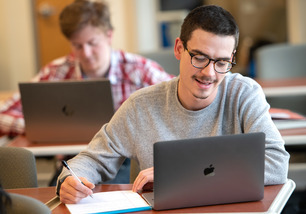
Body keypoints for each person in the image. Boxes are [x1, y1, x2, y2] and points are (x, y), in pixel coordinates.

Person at [57, 5, 289, 204]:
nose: (209, 73)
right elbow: (92, 159)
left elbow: (276, 164)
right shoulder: (141, 106)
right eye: (199, 57)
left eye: (222, 62)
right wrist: (70, 180)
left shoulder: (244, 94)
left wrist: (177, 175)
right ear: (179, 49)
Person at [0, 0, 173, 137]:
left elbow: (183, 101)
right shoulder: (56, 72)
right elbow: (3, 113)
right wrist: (44, 129)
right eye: (77, 46)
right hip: (73, 162)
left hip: (125, 161)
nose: (86, 53)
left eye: (92, 43)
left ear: (109, 36)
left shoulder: (139, 70)